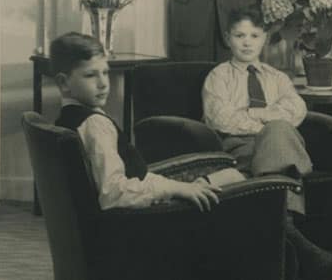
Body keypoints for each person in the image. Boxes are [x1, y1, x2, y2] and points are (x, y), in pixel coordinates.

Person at [202, 7, 332, 280]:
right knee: (278, 128)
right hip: (242, 147)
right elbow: (219, 118)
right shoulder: (218, 77)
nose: (246, 42)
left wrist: (255, 116)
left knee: (280, 130)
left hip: (280, 142)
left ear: (264, 38)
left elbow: (296, 109)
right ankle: (308, 250)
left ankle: (289, 232)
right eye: (239, 35)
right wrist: (267, 119)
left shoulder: (277, 77)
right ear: (227, 38)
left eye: (254, 35)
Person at [50, 32, 229, 279]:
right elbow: (113, 194)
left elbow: (128, 178)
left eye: (105, 72)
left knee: (229, 174)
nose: (103, 83)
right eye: (91, 75)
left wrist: (175, 185)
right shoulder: (95, 125)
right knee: (241, 185)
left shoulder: (66, 121)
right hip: (140, 225)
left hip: (133, 213)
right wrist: (176, 190)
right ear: (63, 83)